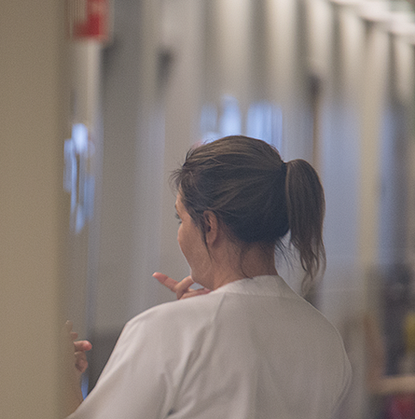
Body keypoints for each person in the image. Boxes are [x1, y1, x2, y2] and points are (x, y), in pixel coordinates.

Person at [67, 135, 352, 419]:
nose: (180, 233)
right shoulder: (325, 338)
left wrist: (63, 375)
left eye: (181, 219)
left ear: (209, 225)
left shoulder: (164, 332)